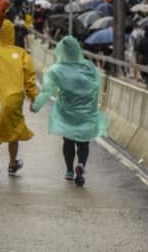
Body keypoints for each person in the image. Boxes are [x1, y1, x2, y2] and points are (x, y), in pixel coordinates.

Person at [31, 36, 108, 187]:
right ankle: (81, 165)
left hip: (67, 112)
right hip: (86, 111)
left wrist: (36, 106)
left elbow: (47, 91)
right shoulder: (89, 67)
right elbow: (97, 86)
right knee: (83, 141)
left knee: (68, 140)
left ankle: (69, 171)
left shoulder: (56, 70)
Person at [0, 19, 38, 183]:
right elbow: (30, 80)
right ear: (12, 33)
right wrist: (34, 99)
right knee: (14, 131)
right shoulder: (21, 54)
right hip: (14, 99)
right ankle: (12, 165)